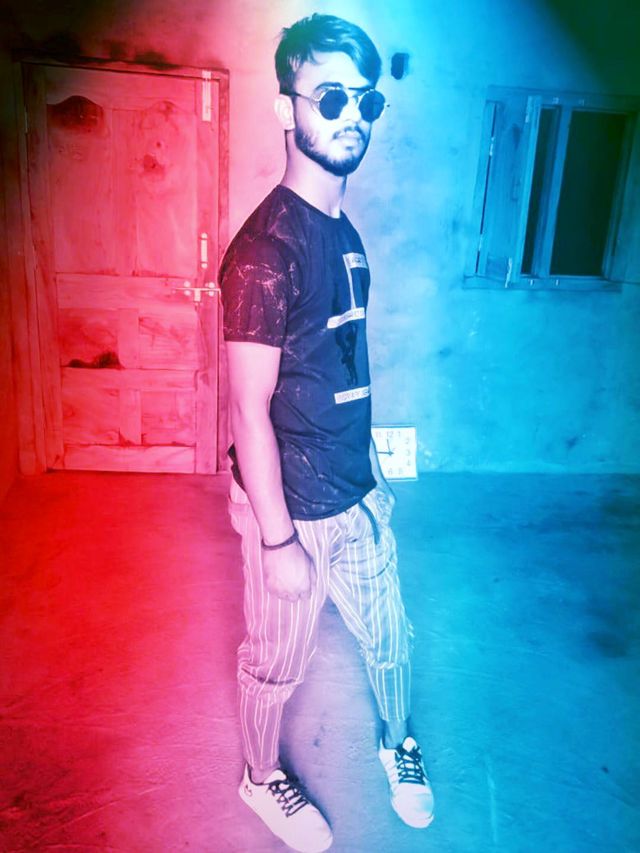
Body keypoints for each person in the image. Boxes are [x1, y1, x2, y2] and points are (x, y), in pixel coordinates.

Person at [220, 13, 434, 852]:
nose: (353, 115)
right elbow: (248, 408)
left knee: (391, 638)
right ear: (287, 109)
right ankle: (258, 774)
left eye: (366, 100)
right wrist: (277, 541)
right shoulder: (264, 251)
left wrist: (371, 470)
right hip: (293, 509)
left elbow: (343, 361)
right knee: (275, 663)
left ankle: (396, 743)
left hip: (356, 489)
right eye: (331, 97)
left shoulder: (344, 233)